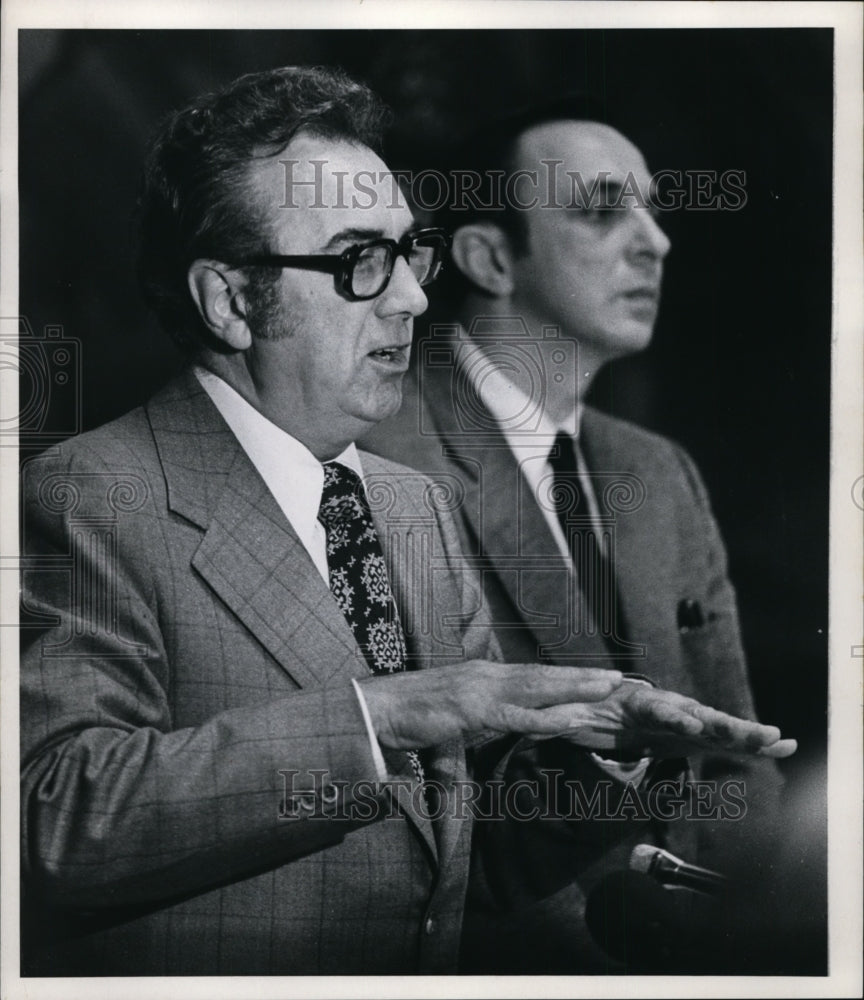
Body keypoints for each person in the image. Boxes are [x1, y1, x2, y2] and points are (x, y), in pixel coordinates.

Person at [19, 69, 794, 977]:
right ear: (229, 301)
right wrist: (385, 714)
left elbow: (469, 873)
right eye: (359, 262)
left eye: (409, 253)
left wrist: (606, 762)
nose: (414, 300)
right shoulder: (90, 491)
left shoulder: (407, 502)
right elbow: (57, 819)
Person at [362, 100, 790, 971]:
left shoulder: (658, 470)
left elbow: (743, 756)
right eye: (603, 210)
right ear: (488, 256)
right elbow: (384, 809)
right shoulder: (374, 454)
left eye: (654, 210)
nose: (656, 243)